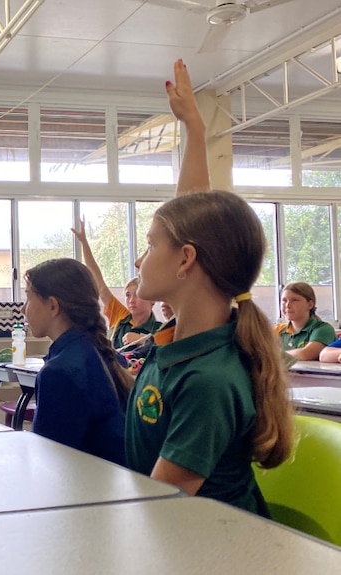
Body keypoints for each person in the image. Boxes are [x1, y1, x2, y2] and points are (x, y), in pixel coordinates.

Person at [124, 59, 293, 516]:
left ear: (185, 261)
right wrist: (193, 131)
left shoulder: (209, 379)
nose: (140, 260)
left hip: (213, 554)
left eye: (149, 245)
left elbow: (158, 505)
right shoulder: (183, 342)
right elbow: (191, 216)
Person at [23, 258, 131, 464]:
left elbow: (50, 463)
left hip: (87, 491)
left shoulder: (59, 372)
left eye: (28, 298)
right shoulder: (106, 354)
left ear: (53, 306)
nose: (23, 309)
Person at [72, 221, 161, 349]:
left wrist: (143, 339)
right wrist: (84, 243)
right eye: (128, 295)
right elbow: (100, 284)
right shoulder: (120, 315)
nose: (131, 300)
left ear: (152, 298)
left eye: (136, 295)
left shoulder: (160, 329)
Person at [275, 282, 336, 361]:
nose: (287, 305)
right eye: (284, 300)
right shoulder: (278, 331)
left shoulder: (323, 328)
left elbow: (305, 354)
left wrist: (274, 354)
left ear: (310, 305)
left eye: (295, 300)